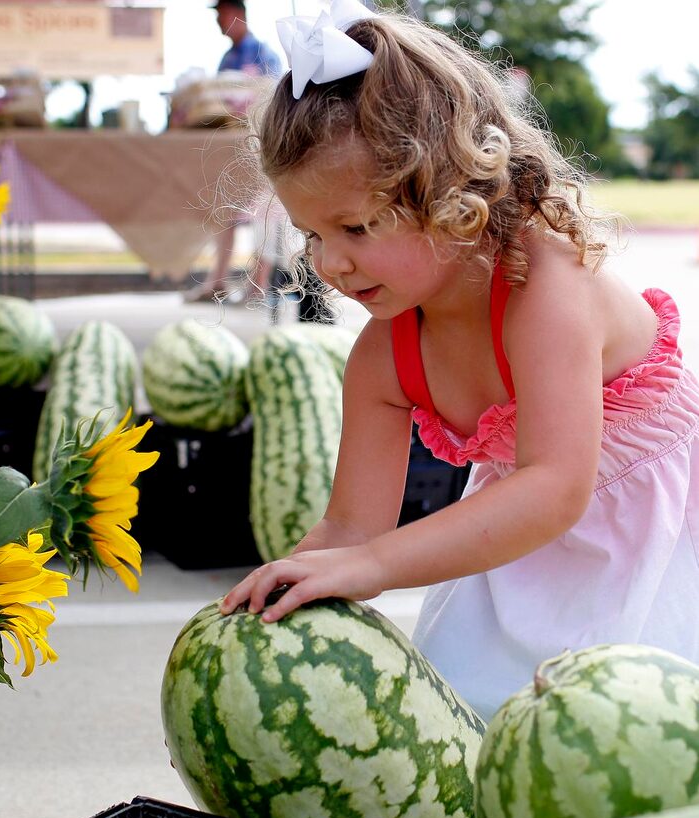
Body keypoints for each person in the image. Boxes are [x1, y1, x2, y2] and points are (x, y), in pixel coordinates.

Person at [220, 1, 699, 721]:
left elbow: (555, 485)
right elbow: (353, 530)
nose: (331, 263)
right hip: (515, 539)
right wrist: (286, 585)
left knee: (636, 737)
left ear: (448, 188)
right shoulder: (384, 357)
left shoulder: (544, 286)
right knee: (478, 720)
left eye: (355, 227)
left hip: (655, 537)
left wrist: (375, 565)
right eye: (312, 234)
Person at [185, 0, 283, 304]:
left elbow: (273, 99)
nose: (217, 19)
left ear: (237, 14)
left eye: (221, 13)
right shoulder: (227, 58)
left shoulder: (264, 54)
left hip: (257, 146)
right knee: (222, 208)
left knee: (266, 212)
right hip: (229, 148)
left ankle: (258, 285)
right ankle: (218, 281)